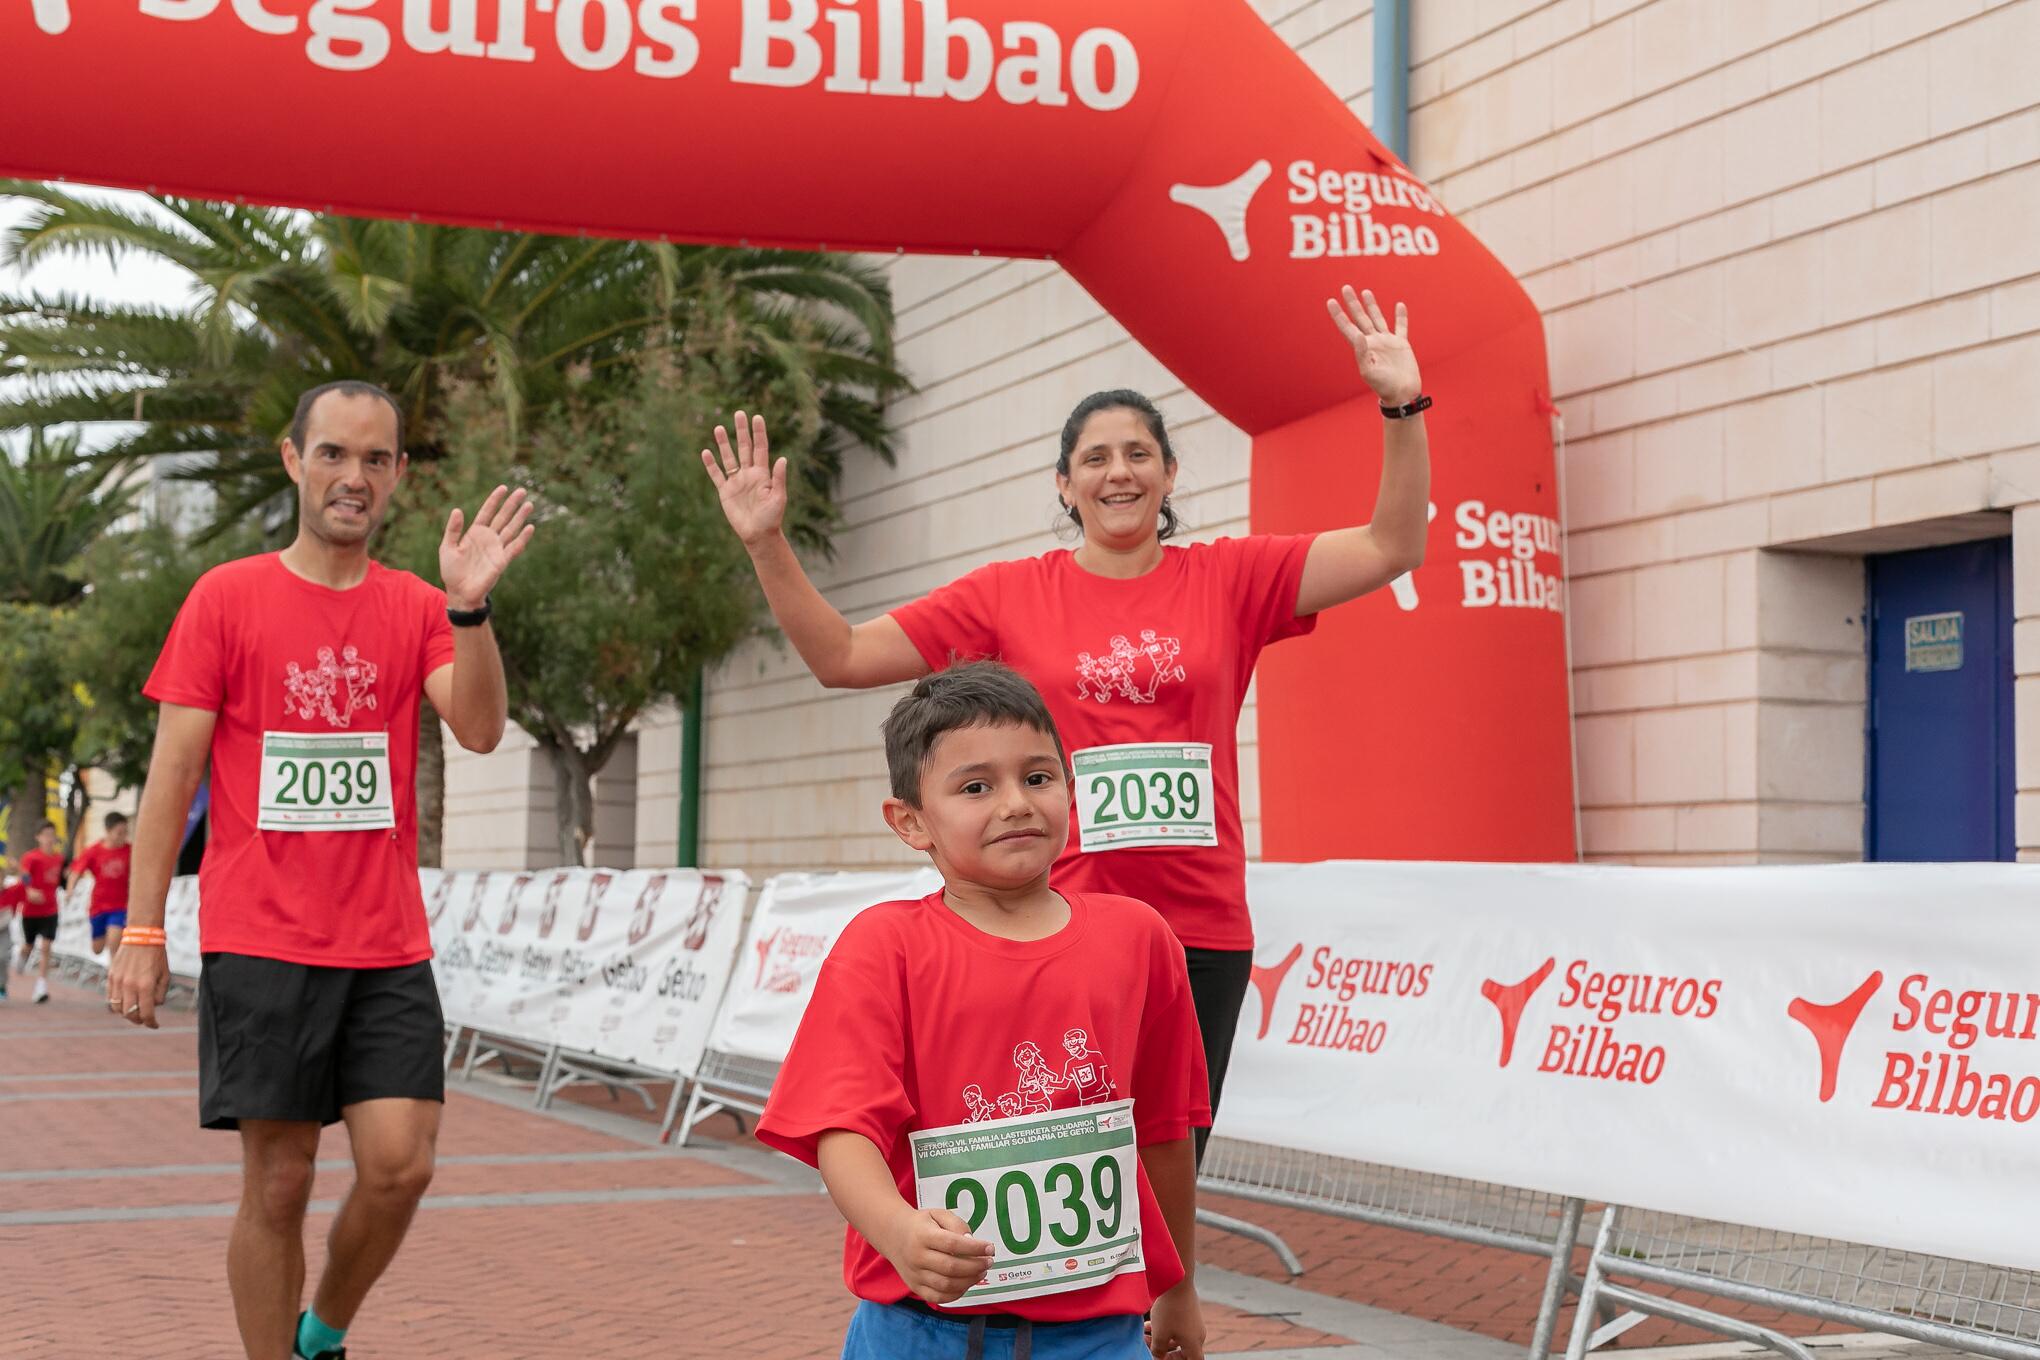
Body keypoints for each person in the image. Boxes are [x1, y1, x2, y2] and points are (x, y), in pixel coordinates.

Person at [707, 287, 1430, 1157]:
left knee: (1167, 1182)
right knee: (1066, 1171)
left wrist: (1400, 404)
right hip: (1055, 924)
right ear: (1064, 483)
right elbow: (845, 658)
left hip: (1197, 935)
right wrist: (765, 544)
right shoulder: (1008, 593)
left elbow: (1393, 545)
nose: (1116, 471)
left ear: (1167, 475)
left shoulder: (1232, 578)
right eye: (1094, 457)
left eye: (1137, 453)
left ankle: (1171, 1301)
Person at [104, 379, 535, 1360]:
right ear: (293, 460)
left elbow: (475, 727)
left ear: (398, 478)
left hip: (385, 940)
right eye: (334, 454)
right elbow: (171, 772)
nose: (354, 476)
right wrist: (140, 931)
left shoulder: (421, 607)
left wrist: (471, 610)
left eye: (375, 460)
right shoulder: (226, 597)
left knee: (400, 1166)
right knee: (282, 1180)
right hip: (262, 933)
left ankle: (322, 1329)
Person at [758, 661, 1210, 1360]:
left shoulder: (1140, 939)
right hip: (916, 1331)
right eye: (976, 787)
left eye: (1037, 777)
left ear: (1070, 788)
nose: (1016, 804)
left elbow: (1161, 1132)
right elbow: (842, 1128)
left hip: (1099, 1336)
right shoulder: (884, 946)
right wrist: (899, 1231)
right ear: (910, 821)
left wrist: (1177, 1285)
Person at [69, 811, 133, 957]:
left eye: (125, 832)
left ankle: (112, 977)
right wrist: (70, 890)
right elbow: (76, 872)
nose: (123, 836)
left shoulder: (130, 850)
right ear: (108, 831)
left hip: (121, 906)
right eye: (119, 833)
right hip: (98, 906)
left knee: (114, 942)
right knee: (97, 949)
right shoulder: (93, 851)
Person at [16, 821, 63, 1005]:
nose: (49, 838)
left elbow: (62, 877)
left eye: (52, 834)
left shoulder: (59, 858)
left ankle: (41, 986)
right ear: (38, 837)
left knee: (46, 947)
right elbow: (25, 874)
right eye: (46, 834)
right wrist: (29, 890)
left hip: (51, 909)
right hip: (31, 910)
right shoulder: (31, 857)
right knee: (29, 945)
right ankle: (22, 956)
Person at [0, 862, 23, 1003]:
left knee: (2, 958)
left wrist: (20, 869)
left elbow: (27, 882)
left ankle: (1, 985)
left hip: (4, 930)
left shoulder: (12, 891)